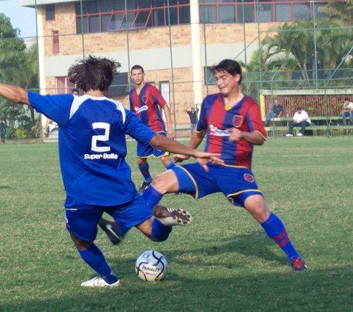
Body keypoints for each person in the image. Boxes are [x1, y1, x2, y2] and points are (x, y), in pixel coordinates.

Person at [0, 56, 218, 288]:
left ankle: (109, 279)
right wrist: (194, 152)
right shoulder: (119, 110)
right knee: (153, 232)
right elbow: (156, 140)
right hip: (119, 190)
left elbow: (19, 95)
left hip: (83, 193)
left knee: (81, 241)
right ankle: (164, 220)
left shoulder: (69, 105)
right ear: (107, 83)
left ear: (81, 79)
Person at [100, 59, 307, 271]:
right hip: (207, 168)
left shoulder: (249, 106)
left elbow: (260, 136)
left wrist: (243, 133)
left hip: (236, 171)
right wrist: (187, 153)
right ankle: (121, 227)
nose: (219, 83)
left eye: (223, 77)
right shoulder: (209, 102)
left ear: (236, 78)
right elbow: (199, 131)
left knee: (259, 209)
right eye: (217, 78)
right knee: (160, 181)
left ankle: (294, 257)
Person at [129, 65, 176, 193]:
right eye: (134, 74)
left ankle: (180, 181)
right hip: (142, 131)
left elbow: (165, 106)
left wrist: (170, 128)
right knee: (140, 160)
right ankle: (148, 180)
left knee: (164, 158)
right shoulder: (131, 94)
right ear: (131, 76)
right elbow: (133, 113)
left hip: (156, 128)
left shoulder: (152, 89)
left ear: (143, 74)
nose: (137, 76)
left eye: (139, 74)